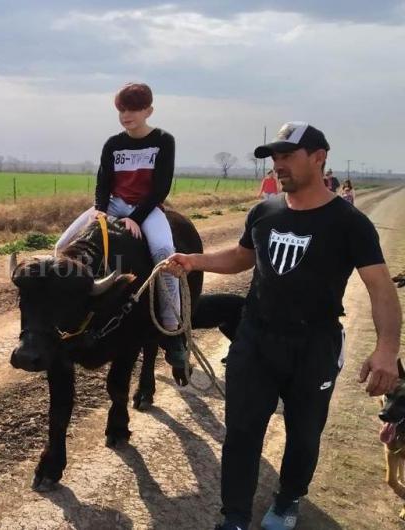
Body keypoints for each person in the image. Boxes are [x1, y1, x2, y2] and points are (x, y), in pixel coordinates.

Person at [164, 121, 402, 530]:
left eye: (287, 155)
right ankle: (234, 516)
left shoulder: (348, 223)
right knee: (241, 431)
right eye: (274, 157)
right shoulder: (264, 212)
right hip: (255, 338)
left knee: (304, 434)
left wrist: (386, 350)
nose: (278, 165)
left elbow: (380, 288)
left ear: (319, 157)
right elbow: (242, 259)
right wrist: (195, 261)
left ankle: (288, 499)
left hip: (315, 344)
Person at [54, 82, 188, 377]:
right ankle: (68, 314)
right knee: (61, 245)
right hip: (113, 204)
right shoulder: (113, 143)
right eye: (122, 109)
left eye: (134, 109)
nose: (127, 115)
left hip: (147, 208)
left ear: (148, 110)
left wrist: (137, 217)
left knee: (165, 253)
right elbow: (103, 181)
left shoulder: (164, 140)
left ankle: (173, 330)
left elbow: (161, 185)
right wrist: (101, 209)